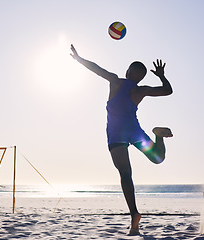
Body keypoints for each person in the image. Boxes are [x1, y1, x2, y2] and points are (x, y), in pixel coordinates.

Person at [70, 44, 173, 235]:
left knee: (125, 174)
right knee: (158, 158)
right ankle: (158, 135)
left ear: (127, 71)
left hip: (117, 133)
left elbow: (96, 69)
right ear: (141, 77)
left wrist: (79, 59)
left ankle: (134, 213)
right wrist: (160, 75)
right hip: (134, 131)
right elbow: (167, 91)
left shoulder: (116, 81)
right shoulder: (141, 90)